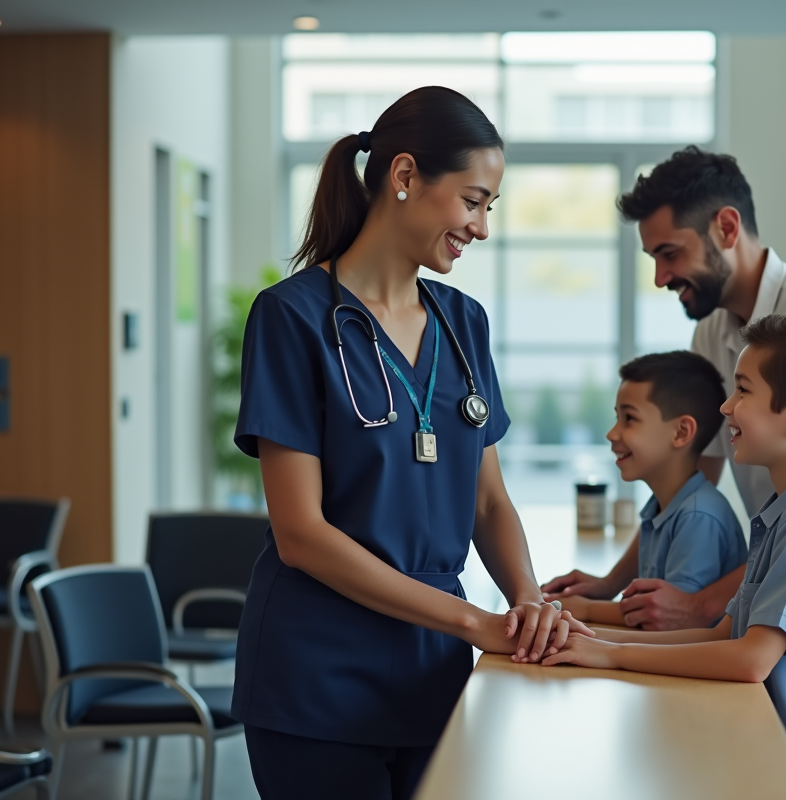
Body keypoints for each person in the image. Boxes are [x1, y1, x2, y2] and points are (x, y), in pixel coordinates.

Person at [543, 146, 786, 800]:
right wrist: (612, 589)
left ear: (726, 229)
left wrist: (697, 604)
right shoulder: (715, 333)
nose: (661, 277)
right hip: (774, 599)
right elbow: (686, 481)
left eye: (669, 254)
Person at [231, 86, 590, 800]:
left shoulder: (464, 323)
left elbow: (488, 502)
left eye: (490, 208)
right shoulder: (292, 319)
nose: (481, 227)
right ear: (403, 177)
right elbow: (300, 533)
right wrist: (474, 620)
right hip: (321, 678)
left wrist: (528, 606)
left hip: (434, 675)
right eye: (473, 200)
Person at [544, 315, 786, 800]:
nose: (726, 406)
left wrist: (610, 655)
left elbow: (751, 660)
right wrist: (587, 636)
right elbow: (721, 635)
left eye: (743, 391)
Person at [553, 352, 746, 626]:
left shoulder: (698, 516)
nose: (612, 433)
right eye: (617, 417)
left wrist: (582, 609)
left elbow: (666, 622)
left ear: (681, 432)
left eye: (629, 418)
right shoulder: (663, 505)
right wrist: (600, 591)